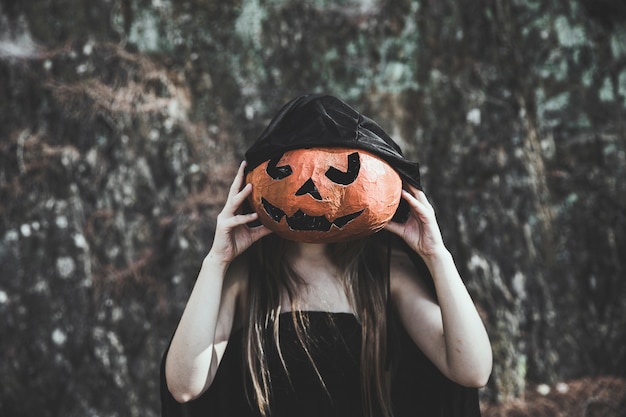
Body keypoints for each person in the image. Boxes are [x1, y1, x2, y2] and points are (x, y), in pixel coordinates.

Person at [160, 94, 492, 417]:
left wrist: (437, 255)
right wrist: (217, 260)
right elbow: (185, 387)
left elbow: (472, 372)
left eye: (342, 173)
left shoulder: (385, 273)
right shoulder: (248, 278)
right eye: (284, 171)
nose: (310, 189)